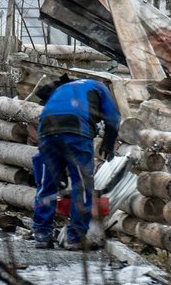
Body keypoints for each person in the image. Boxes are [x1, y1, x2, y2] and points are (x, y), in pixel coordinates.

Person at [30, 74, 122, 249]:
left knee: (46, 184)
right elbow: (113, 117)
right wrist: (108, 143)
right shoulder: (99, 86)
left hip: (47, 130)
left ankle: (42, 234)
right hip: (76, 131)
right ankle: (75, 237)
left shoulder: (61, 89)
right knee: (82, 184)